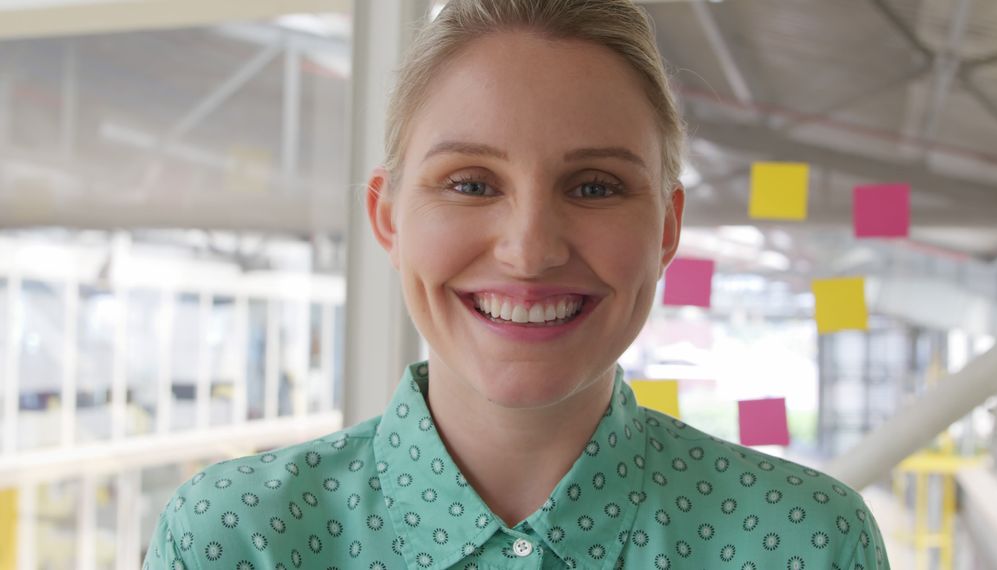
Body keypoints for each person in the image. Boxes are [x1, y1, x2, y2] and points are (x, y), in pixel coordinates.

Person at [143, 0, 890, 568]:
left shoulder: (807, 542)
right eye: (471, 184)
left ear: (666, 229)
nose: (530, 251)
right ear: (388, 218)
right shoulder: (237, 539)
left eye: (595, 187)